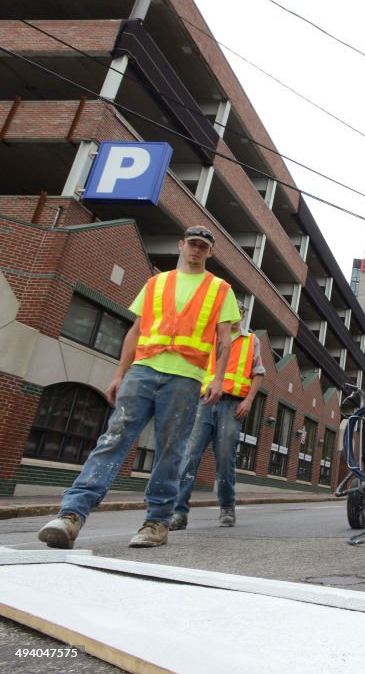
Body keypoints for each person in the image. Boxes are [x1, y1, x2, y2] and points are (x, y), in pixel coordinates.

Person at [37, 226, 240, 549]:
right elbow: (135, 330)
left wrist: (217, 379)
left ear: (210, 252)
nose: (196, 250)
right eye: (192, 244)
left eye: (203, 246)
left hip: (185, 379)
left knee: (170, 451)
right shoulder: (155, 283)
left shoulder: (220, 289)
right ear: (181, 245)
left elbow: (225, 340)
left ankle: (157, 522)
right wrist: (120, 373)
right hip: (142, 372)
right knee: (113, 439)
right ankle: (71, 515)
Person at [169, 303, 265, 530]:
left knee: (224, 458)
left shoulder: (252, 341)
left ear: (242, 315)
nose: (233, 317)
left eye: (237, 312)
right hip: (203, 403)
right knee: (189, 456)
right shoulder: (211, 338)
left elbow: (258, 373)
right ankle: (178, 512)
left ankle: (227, 508)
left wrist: (249, 401)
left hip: (232, 405)